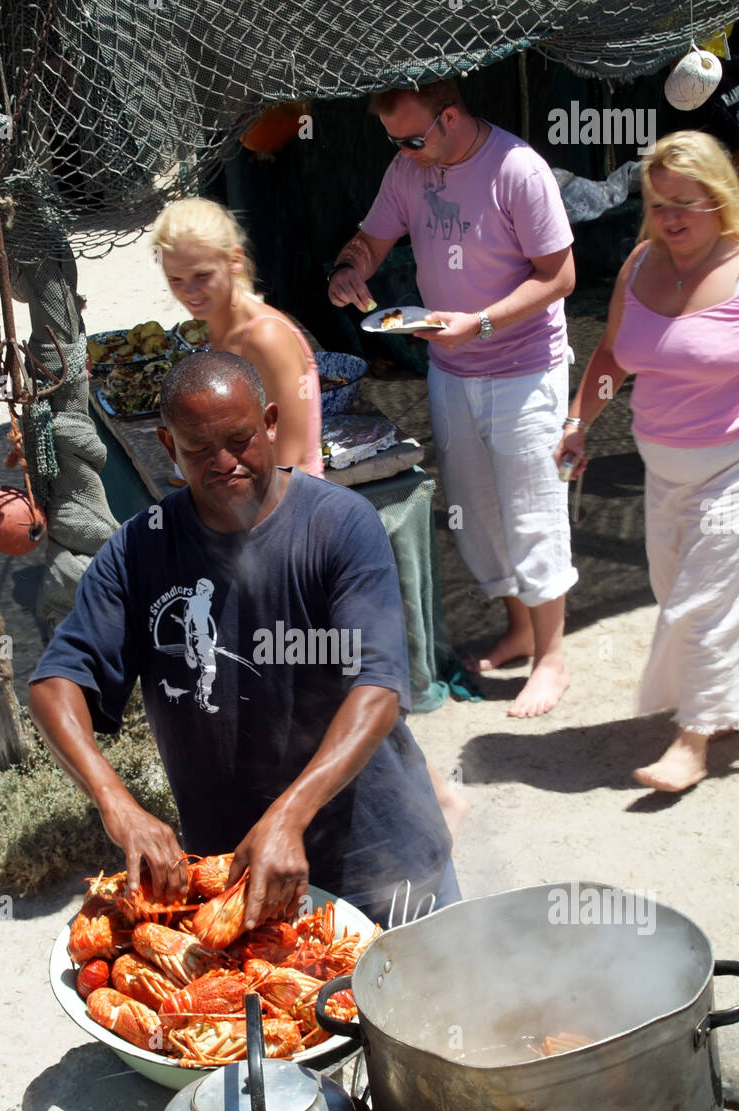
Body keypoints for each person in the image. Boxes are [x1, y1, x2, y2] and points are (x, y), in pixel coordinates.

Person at [28, 351, 459, 928]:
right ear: (167, 444)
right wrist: (118, 806)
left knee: (425, 1013)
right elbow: (57, 684)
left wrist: (289, 815)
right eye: (199, 449)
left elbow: (377, 690)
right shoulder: (139, 551)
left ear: (272, 422)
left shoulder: (340, 527)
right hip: (237, 886)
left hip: (383, 868)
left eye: (240, 439)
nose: (224, 462)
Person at [329, 78, 577, 717]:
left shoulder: (517, 169)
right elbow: (371, 241)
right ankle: (521, 627)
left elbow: (562, 275)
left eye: (413, 138)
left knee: (532, 510)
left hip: (524, 368)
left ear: (449, 117)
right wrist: (351, 268)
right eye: (394, 142)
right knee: (477, 509)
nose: (405, 151)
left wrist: (484, 322)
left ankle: (553, 657)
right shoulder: (407, 167)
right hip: (451, 367)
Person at [554, 130, 739, 793]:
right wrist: (578, 422)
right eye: (659, 203)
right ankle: (723, 704)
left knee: (698, 604)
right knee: (675, 595)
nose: (669, 218)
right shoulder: (638, 267)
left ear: (720, 199)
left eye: (685, 203)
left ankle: (694, 739)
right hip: (663, 473)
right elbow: (610, 357)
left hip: (732, 472)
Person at [151, 197, 323, 476]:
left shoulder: (266, 339)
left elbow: (294, 468)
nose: (190, 292)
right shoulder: (217, 326)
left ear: (234, 261)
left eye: (202, 275)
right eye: (176, 279)